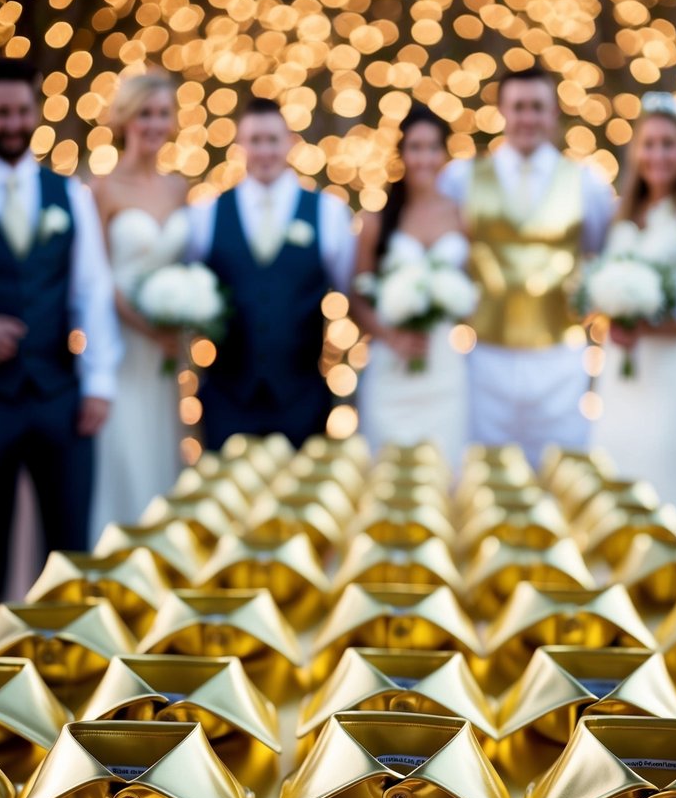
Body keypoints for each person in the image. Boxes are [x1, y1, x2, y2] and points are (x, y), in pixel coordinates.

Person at [440, 67, 615, 468]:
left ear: (554, 114)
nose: (527, 118)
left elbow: (598, 254)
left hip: (560, 355)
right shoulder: (461, 178)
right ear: (502, 111)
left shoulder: (587, 183)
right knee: (485, 468)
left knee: (560, 467)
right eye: (518, 107)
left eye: (538, 107)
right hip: (484, 354)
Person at [0, 58, 119, 597]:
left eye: (22, 111)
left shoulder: (70, 195)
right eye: (2, 113)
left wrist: (97, 383)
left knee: (69, 553)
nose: (13, 123)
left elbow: (92, 291)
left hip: (59, 395)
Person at [589, 94, 676, 538]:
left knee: (664, 479)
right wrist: (612, 317)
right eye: (649, 144)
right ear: (636, 152)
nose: (658, 154)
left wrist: (648, 325)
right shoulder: (622, 212)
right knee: (615, 469)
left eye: (668, 144)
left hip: (667, 370)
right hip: (620, 371)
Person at [187, 97, 355, 450]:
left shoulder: (327, 212)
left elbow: (353, 292)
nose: (264, 151)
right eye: (255, 141)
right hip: (226, 398)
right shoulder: (206, 214)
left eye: (272, 140)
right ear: (240, 146)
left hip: (302, 398)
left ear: (290, 142)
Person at [89, 72, 188, 540]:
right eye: (145, 113)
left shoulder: (178, 189)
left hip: (166, 357)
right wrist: (145, 326)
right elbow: (96, 278)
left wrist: (186, 319)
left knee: (162, 455)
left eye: (163, 114)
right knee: (123, 457)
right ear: (126, 119)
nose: (154, 123)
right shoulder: (102, 189)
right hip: (122, 349)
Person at [350, 106, 470, 470]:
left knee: (445, 472)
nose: (424, 158)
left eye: (433, 148)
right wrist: (391, 336)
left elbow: (473, 288)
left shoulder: (461, 216)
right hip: (391, 367)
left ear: (445, 153)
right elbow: (356, 296)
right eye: (415, 148)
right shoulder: (378, 219)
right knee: (386, 471)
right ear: (402, 153)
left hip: (443, 369)